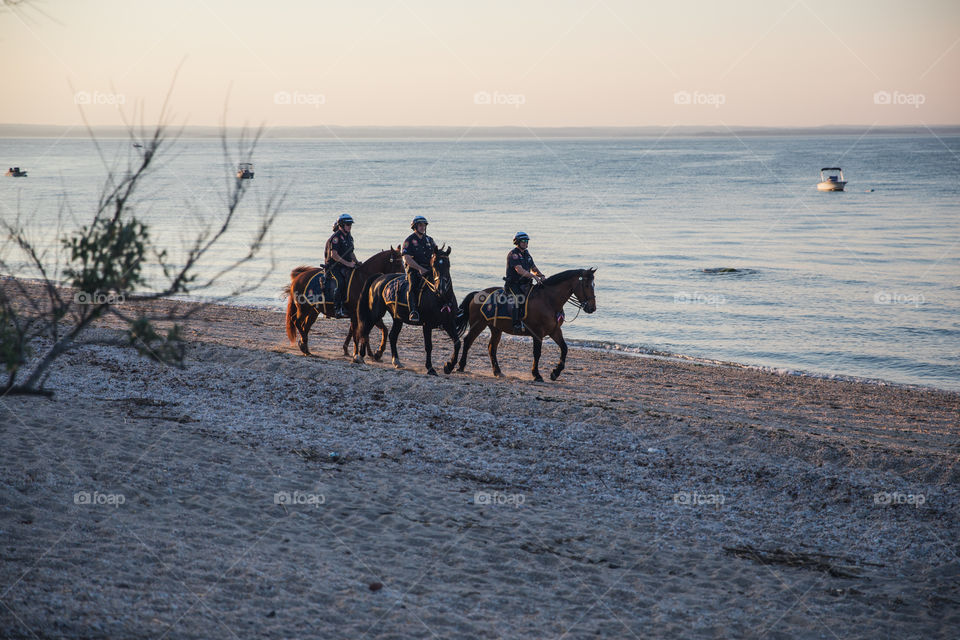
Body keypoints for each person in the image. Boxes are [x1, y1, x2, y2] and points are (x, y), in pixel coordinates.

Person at [505, 231, 545, 330]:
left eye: (527, 241)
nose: (525, 243)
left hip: (526, 284)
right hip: (513, 285)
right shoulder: (513, 254)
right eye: (523, 241)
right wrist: (533, 276)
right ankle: (516, 324)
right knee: (519, 299)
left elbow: (534, 268)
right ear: (517, 242)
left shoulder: (527, 254)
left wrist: (541, 276)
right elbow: (519, 270)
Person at [401, 215, 436, 322]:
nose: (423, 227)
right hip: (414, 269)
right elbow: (406, 258)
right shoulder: (409, 240)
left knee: (442, 283)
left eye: (424, 225)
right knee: (413, 286)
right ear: (415, 227)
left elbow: (436, 254)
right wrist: (420, 268)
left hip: (429, 269)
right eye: (420, 225)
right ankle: (413, 311)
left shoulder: (430, 240)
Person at [325, 213, 357, 318]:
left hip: (346, 265)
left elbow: (351, 252)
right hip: (334, 267)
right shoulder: (336, 237)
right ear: (341, 225)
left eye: (351, 224)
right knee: (341, 282)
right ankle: (338, 308)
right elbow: (334, 255)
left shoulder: (349, 237)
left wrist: (356, 262)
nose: (350, 226)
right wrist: (348, 263)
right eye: (348, 224)